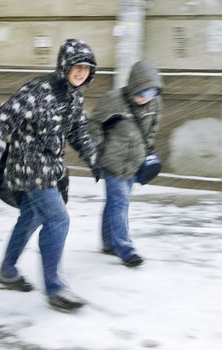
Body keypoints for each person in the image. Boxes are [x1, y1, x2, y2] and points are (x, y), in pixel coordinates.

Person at [0, 39, 100, 312]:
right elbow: (0, 119)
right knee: (58, 219)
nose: (81, 72)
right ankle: (55, 288)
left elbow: (78, 131)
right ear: (64, 66)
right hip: (27, 168)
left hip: (50, 168)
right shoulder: (37, 90)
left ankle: (7, 271)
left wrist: (93, 158)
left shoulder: (74, 96)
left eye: (87, 68)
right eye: (77, 66)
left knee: (30, 218)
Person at [89, 60, 163, 267]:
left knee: (116, 202)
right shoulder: (113, 100)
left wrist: (147, 147)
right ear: (133, 87)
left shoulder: (155, 102)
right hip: (113, 161)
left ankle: (107, 243)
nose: (144, 98)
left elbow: (154, 126)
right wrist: (99, 149)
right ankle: (125, 249)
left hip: (134, 162)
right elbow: (93, 125)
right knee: (120, 202)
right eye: (141, 93)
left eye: (149, 93)